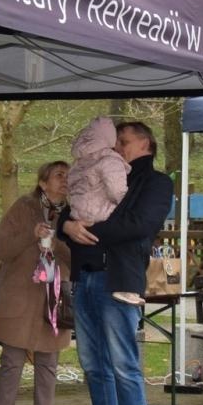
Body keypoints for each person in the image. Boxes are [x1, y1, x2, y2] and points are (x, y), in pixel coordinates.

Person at [59, 121, 174, 405]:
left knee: (124, 365)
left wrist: (84, 230)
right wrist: (66, 225)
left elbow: (139, 224)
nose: (117, 146)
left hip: (118, 279)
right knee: (93, 365)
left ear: (146, 143)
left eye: (124, 141)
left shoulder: (155, 182)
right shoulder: (98, 165)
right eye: (115, 140)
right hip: (85, 278)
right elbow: (71, 205)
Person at [0, 160, 73, 405]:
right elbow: (0, 247)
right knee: (11, 364)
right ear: (42, 182)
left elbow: (79, 259)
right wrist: (31, 235)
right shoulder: (23, 207)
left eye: (68, 176)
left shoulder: (73, 214)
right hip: (20, 298)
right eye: (59, 175)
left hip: (53, 302)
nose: (65, 180)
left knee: (48, 366)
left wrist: (56, 243)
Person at [66, 116, 138, 305]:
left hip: (79, 215)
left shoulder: (79, 162)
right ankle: (126, 287)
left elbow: (71, 187)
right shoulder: (109, 160)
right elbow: (117, 192)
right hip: (100, 213)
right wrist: (129, 202)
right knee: (128, 237)